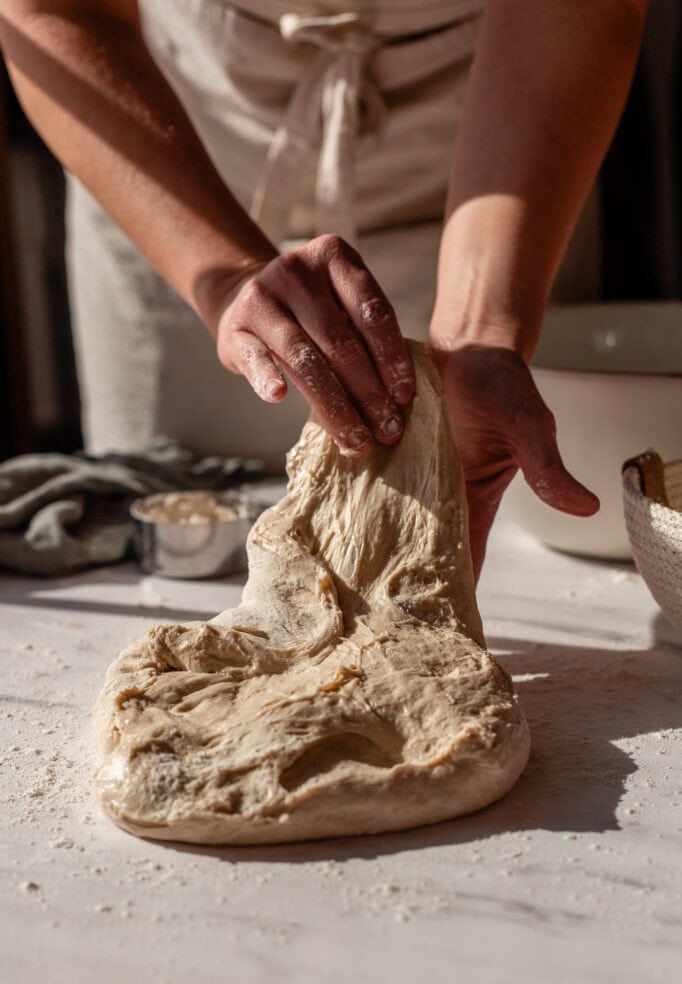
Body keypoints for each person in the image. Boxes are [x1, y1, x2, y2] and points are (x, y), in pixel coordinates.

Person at [0, 0, 648, 576]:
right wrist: (224, 274)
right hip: (173, 171)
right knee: (171, 558)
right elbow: (54, 11)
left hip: (498, 174)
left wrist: (480, 334)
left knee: (524, 570)